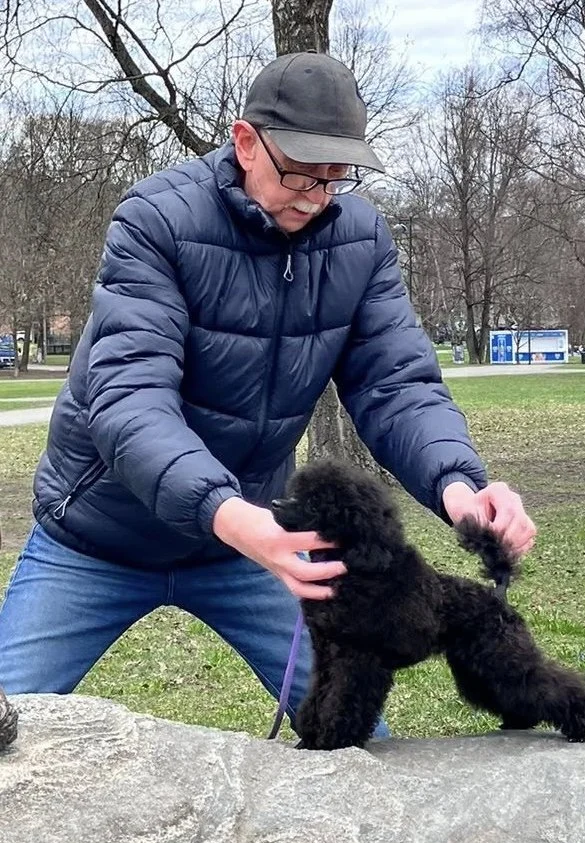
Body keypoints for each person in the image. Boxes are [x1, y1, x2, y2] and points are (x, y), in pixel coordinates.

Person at [0, 52, 536, 734]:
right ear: (245, 141)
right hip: (101, 539)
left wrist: (459, 487)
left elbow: (397, 384)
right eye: (300, 174)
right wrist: (231, 514)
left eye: (335, 179)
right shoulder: (155, 221)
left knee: (352, 740)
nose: (316, 196)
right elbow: (130, 399)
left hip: (251, 547)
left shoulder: (360, 240)